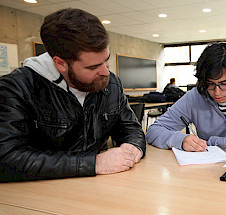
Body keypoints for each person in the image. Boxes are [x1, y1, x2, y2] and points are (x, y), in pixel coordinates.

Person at [0, 8, 146, 182]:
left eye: (106, 60)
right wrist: (94, 163)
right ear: (61, 64)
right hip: (40, 194)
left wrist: (132, 146)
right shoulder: (16, 88)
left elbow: (131, 128)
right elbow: (6, 159)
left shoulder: (111, 83)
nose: (106, 72)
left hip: (96, 187)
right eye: (93, 67)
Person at [146, 43, 226, 151]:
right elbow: (154, 131)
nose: (217, 92)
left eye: (224, 84)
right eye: (210, 84)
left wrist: (210, 142)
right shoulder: (196, 96)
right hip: (207, 164)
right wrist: (180, 140)